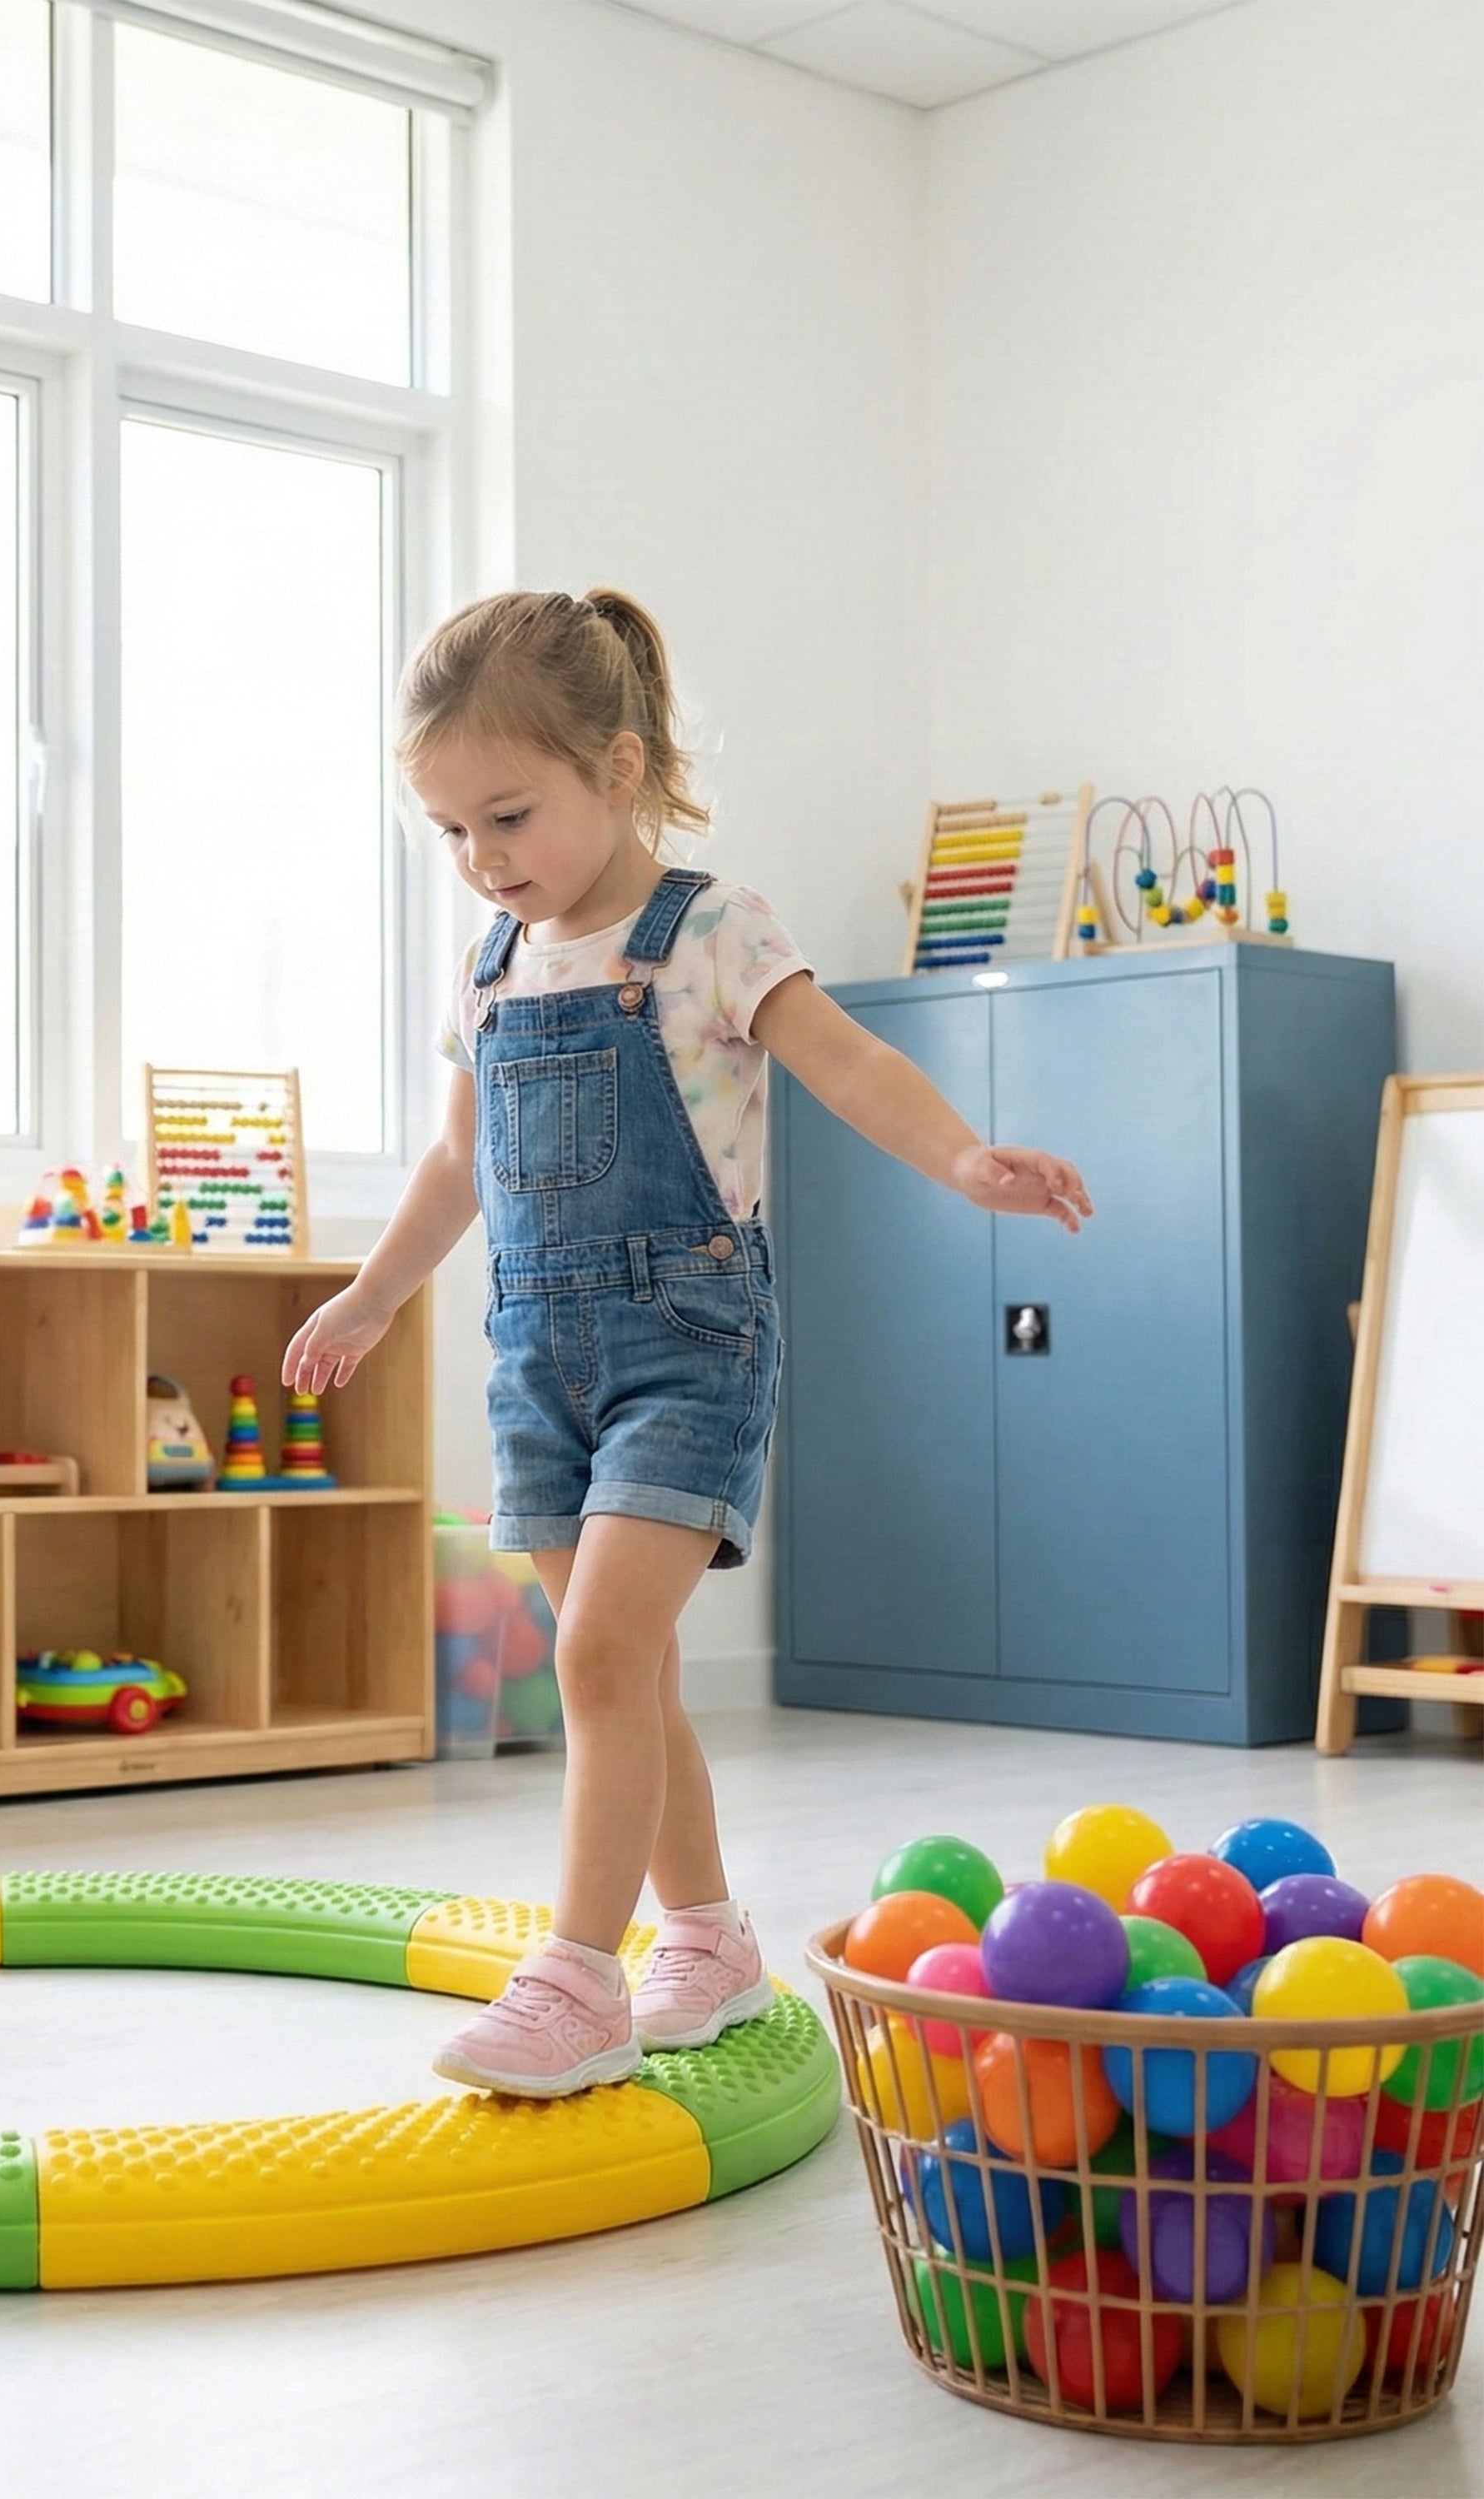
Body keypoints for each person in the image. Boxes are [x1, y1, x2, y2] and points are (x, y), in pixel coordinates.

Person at [282, 588, 1091, 2097]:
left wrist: (968, 1160)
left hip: (687, 1345)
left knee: (597, 1652)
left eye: (509, 816)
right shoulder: (491, 969)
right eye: (452, 832)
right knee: (630, 1677)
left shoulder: (711, 930)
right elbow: (456, 1167)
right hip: (537, 1362)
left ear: (622, 766)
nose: (485, 861)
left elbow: (843, 1060)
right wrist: (373, 1293)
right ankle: (707, 1939)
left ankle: (576, 1975)